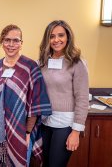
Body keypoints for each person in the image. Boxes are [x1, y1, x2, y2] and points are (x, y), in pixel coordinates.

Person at [0, 24, 52, 167]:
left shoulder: (30, 66)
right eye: (7, 40)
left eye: (16, 40)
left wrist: (28, 132)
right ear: (1, 42)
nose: (11, 44)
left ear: (21, 44)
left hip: (21, 130)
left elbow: (36, 101)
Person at [38, 20, 89, 167]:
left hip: (65, 124)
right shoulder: (42, 62)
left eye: (61, 35)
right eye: (52, 36)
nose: (56, 40)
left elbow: (82, 99)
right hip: (45, 122)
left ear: (68, 37)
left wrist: (75, 132)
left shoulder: (77, 63)